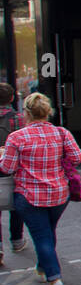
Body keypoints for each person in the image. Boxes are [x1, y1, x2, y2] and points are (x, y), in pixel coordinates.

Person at [0, 92, 81, 285]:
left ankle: (54, 278)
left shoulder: (17, 137)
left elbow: (7, 168)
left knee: (42, 236)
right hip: (58, 193)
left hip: (29, 195)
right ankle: (42, 268)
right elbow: (77, 157)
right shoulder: (62, 133)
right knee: (47, 232)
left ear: (26, 112)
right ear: (48, 112)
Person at [0, 83, 26, 264]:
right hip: (15, 165)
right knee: (16, 202)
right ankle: (17, 240)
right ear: (11, 98)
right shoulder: (19, 118)